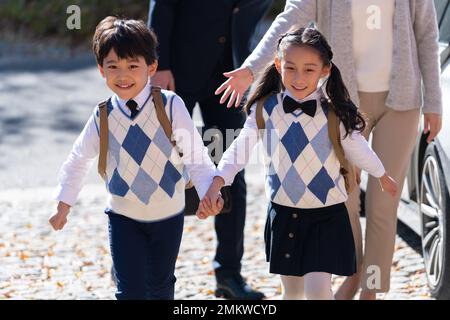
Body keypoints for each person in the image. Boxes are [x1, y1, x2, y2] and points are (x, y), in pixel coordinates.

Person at [215, 0, 443, 299]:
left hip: (400, 101)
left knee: (383, 206)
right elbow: (290, 19)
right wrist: (251, 67)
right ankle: (351, 275)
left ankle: (371, 290)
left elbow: (426, 34)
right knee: (342, 200)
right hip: (342, 103)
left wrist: (434, 102)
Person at [197, 26, 398, 300]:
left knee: (317, 291)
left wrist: (381, 173)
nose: (299, 78)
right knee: (291, 293)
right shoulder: (265, 109)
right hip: (284, 214)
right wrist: (219, 180)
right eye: (290, 68)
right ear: (278, 65)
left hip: (326, 214)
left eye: (308, 69)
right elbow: (240, 149)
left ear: (325, 70)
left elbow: (356, 145)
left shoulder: (334, 112)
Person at [49, 16, 223, 300]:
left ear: (151, 67)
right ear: (101, 70)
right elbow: (78, 158)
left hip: (168, 214)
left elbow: (196, 156)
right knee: (129, 291)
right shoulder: (103, 116)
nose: (123, 75)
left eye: (132, 66)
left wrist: (208, 193)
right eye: (113, 67)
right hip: (122, 216)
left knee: (161, 287)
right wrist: (63, 203)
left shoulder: (170, 105)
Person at [148, 0, 272, 299]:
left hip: (231, 76)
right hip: (178, 71)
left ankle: (228, 274)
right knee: (157, 167)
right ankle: (143, 263)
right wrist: (159, 62)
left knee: (230, 173)